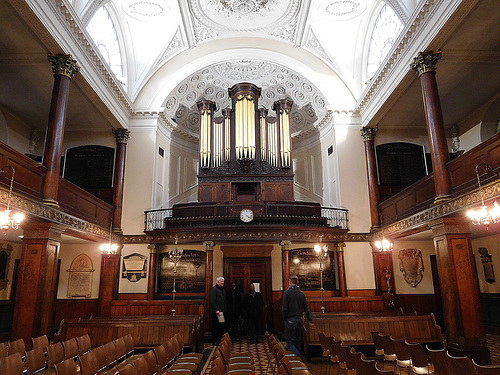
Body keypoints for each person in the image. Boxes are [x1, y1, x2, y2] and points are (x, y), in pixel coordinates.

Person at [282, 275, 315, 357]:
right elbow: (306, 309)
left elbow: (284, 308)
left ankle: (296, 357)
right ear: (297, 282)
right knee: (298, 340)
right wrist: (310, 321)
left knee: (290, 340)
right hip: (299, 320)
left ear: (289, 282)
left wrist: (285, 318)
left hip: (290, 319)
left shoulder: (286, 293)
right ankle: (299, 360)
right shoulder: (301, 294)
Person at [210, 276, 227, 345]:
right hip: (217, 312)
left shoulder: (222, 289)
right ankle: (215, 341)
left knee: (221, 326)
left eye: (223, 281)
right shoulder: (214, 290)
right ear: (218, 282)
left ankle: (220, 340)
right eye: (221, 281)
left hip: (222, 311)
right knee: (216, 327)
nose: (223, 283)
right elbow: (212, 301)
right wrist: (216, 310)